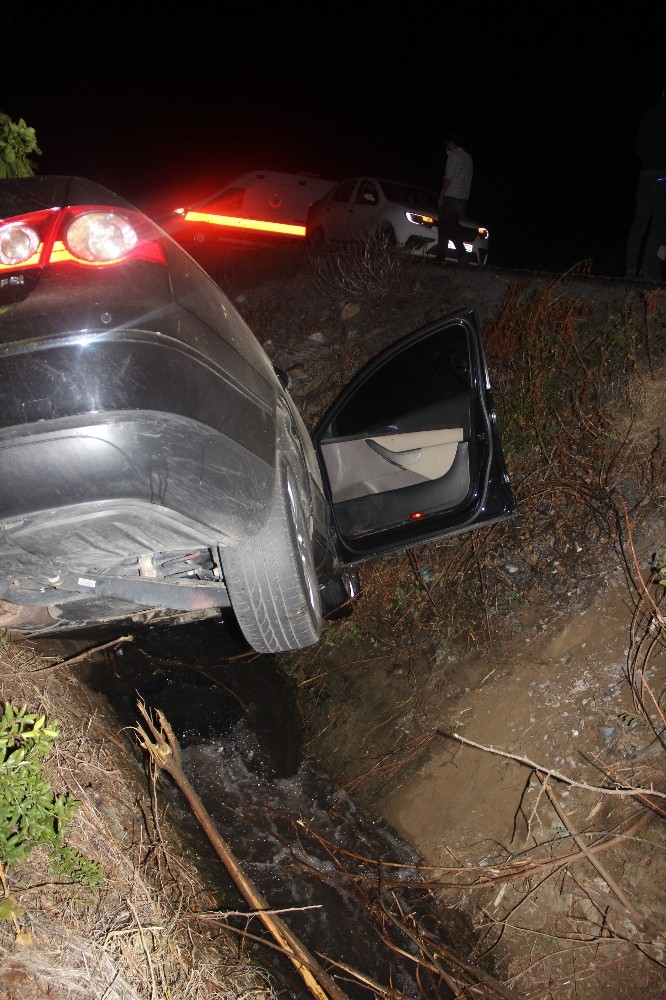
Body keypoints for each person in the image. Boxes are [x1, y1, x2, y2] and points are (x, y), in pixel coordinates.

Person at [625, 83, 666, 282]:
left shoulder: (648, 114)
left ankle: (630, 269)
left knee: (639, 223)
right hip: (662, 177)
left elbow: (639, 148)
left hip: (645, 175)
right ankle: (649, 271)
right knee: (659, 225)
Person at [436, 133, 473, 264]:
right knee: (451, 227)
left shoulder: (453, 156)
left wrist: (441, 196)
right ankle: (457, 255)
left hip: (451, 197)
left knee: (444, 227)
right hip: (462, 199)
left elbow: (448, 177)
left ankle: (444, 257)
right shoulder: (468, 158)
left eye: (447, 145)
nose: (447, 148)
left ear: (451, 144)